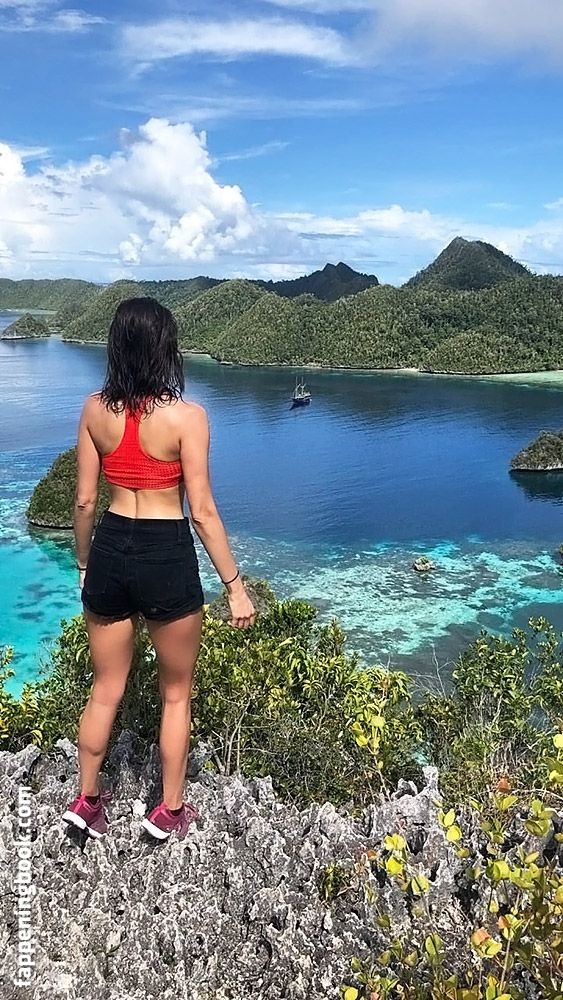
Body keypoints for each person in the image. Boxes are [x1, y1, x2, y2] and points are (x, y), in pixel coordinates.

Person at [62, 297, 255, 841]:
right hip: (165, 552)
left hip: (110, 546)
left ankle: (87, 800)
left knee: (105, 688)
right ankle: (168, 811)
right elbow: (204, 512)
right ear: (166, 348)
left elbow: (84, 501)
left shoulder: (94, 410)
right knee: (176, 693)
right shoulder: (188, 418)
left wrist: (84, 563)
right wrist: (235, 587)